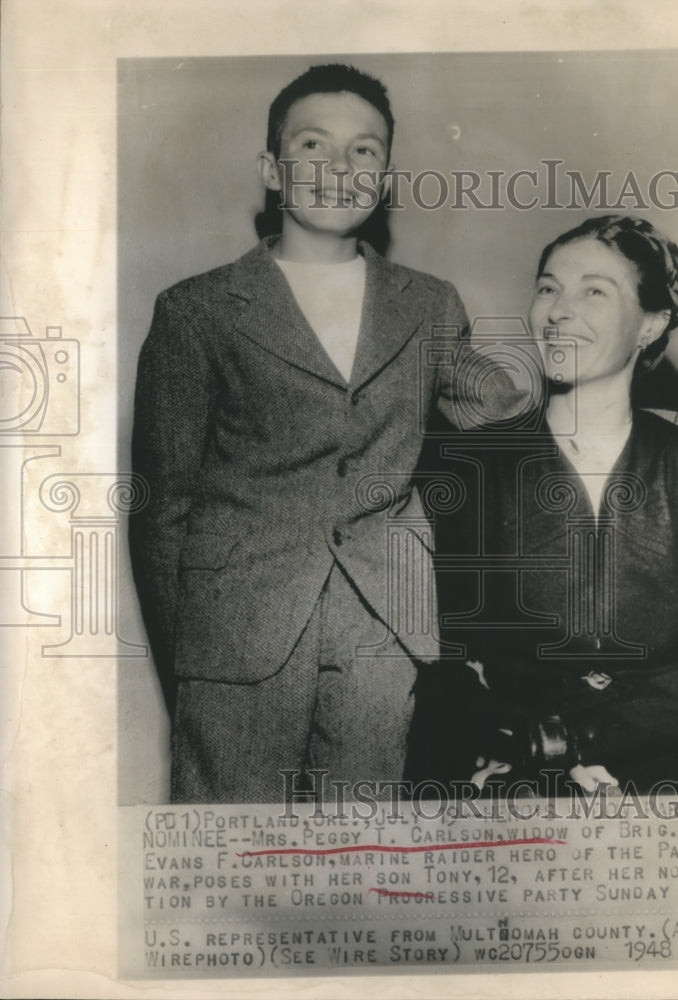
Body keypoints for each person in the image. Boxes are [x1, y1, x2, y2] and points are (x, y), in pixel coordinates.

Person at [129, 63, 524, 803]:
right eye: (313, 146)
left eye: (364, 150)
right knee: (229, 855)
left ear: (384, 177)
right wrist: (190, 651)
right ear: (272, 170)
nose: (339, 168)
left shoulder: (428, 304)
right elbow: (161, 506)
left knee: (361, 848)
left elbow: (486, 406)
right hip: (239, 627)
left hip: (383, 625)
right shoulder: (198, 310)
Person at [411, 215, 678, 795]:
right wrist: (515, 742)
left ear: (651, 323)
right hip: (517, 773)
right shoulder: (471, 469)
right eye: (548, 288)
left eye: (594, 290)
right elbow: (444, 650)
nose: (560, 310)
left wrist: (582, 737)